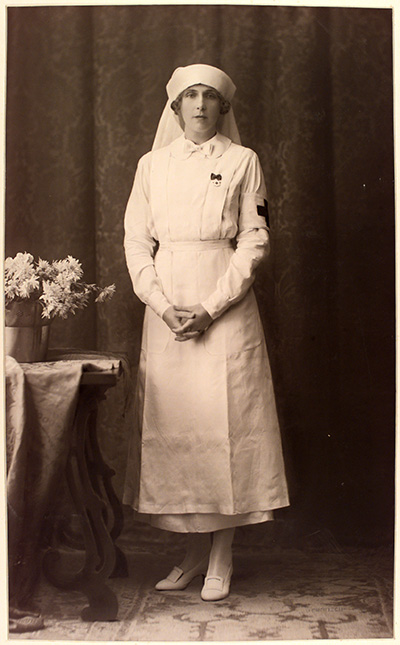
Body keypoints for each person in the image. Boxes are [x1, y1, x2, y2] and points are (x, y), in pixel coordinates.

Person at [123, 63, 289, 601]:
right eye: (190, 96)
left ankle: (222, 554)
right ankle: (192, 554)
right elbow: (134, 242)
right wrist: (162, 303)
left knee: (226, 429)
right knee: (182, 430)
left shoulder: (243, 161)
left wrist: (212, 307)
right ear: (174, 108)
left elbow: (255, 240)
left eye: (210, 97)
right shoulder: (152, 165)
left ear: (224, 108)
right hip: (167, 311)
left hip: (225, 308)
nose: (199, 105)